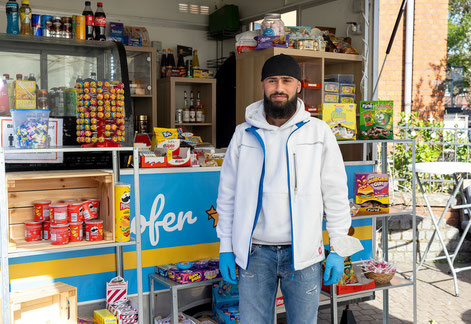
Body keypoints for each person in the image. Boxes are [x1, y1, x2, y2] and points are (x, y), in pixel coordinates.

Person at [216, 54, 363, 324]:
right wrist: (226, 246)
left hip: (305, 254)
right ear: (263, 85)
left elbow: (336, 196)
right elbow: (227, 196)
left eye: (286, 81)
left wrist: (339, 249)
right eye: (272, 81)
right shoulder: (242, 134)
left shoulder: (319, 133)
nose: (279, 88)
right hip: (254, 253)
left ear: (298, 86)